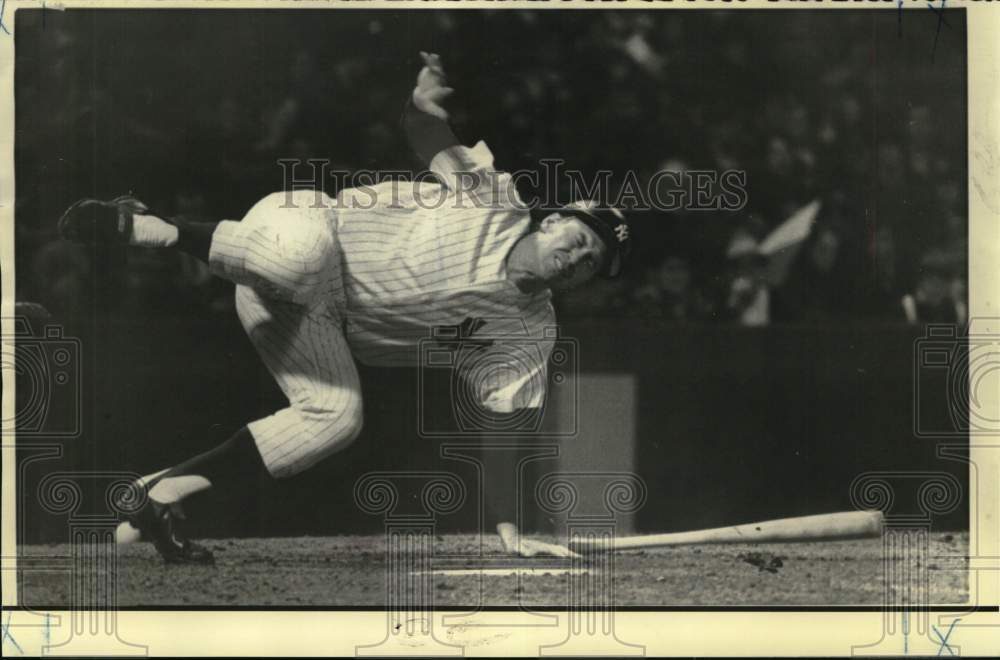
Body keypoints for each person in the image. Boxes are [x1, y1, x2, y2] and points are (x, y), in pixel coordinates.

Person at [57, 53, 631, 564]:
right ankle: (144, 225)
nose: (577, 260)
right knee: (302, 260)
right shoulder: (495, 199)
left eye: (590, 265)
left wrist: (511, 528)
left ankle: (158, 494)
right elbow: (428, 135)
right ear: (552, 220)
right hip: (300, 232)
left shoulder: (529, 334)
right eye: (579, 241)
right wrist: (422, 103)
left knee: (336, 417)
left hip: (311, 322)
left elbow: (503, 430)